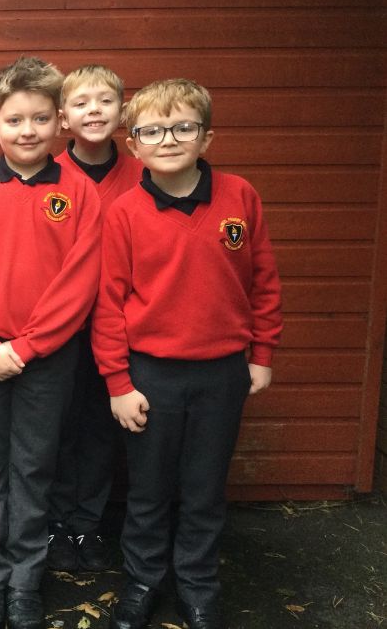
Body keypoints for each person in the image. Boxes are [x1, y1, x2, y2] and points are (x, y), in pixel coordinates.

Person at [92, 79, 282, 629]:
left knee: (204, 488)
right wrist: (118, 384)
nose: (169, 139)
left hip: (222, 373)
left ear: (206, 137)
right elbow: (109, 304)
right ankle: (143, 580)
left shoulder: (239, 197)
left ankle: (198, 584)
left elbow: (264, 282)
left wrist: (262, 353)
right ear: (134, 145)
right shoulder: (125, 212)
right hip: (151, 375)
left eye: (183, 127)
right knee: (148, 490)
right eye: (152, 130)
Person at [0, 57, 102, 629]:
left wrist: (28, 347)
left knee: (33, 466)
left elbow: (78, 284)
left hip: (47, 359)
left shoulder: (80, 193)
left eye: (39, 119)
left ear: (60, 123)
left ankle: (26, 578)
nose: (27, 131)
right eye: (14, 120)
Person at [46, 65, 142, 573]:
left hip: (120, 328)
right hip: (62, 328)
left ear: (122, 112)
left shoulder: (144, 174)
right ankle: (56, 524)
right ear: (63, 118)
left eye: (105, 101)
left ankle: (87, 524)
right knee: (58, 428)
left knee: (102, 431)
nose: (94, 111)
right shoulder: (49, 173)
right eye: (81, 103)